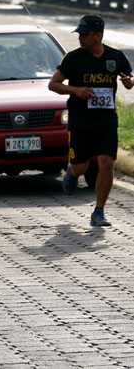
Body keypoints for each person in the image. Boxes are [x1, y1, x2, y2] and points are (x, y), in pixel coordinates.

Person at [48, 15, 134, 227]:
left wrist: (128, 81)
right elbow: (53, 84)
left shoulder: (115, 56)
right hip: (80, 121)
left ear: (98, 35)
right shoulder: (73, 58)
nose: (80, 38)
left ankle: (99, 211)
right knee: (80, 168)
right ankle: (71, 173)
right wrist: (75, 90)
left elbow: (130, 80)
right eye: (79, 34)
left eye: (85, 34)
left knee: (106, 163)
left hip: (106, 121)